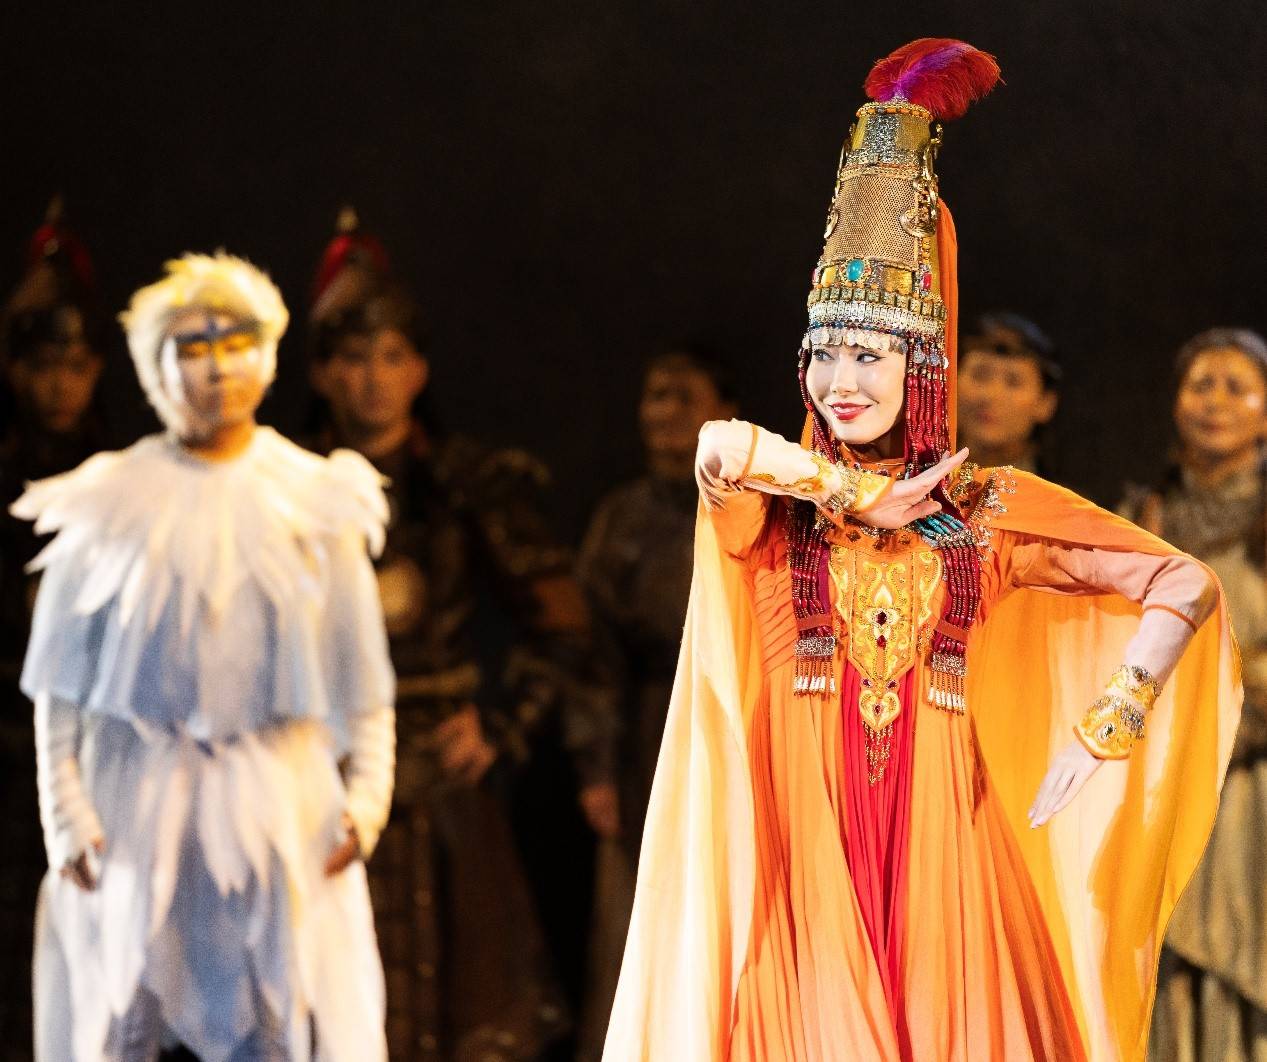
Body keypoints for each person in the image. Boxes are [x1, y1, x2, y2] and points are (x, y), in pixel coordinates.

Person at [603, 39, 1240, 1062]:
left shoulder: (985, 512)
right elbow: (717, 448)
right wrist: (853, 491)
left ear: (922, 366)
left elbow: (1183, 580)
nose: (840, 381)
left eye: (869, 353)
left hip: (949, 874)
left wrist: (1107, 723)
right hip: (804, 880)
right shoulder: (777, 513)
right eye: (822, 353)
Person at [15, 252, 395, 1061]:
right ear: (151, 365)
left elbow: (360, 673)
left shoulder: (314, 498)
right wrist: (65, 811)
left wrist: (368, 796)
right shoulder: (108, 501)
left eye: (236, 342)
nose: (218, 366)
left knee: (283, 1010)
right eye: (192, 346)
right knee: (123, 1009)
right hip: (134, 799)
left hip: (279, 796)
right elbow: (61, 685)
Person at [307, 214, 610, 1061]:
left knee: (460, 998)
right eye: (355, 358)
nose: (374, 380)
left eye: (392, 356)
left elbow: (562, 621)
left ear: (420, 369)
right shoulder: (283, 490)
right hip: (316, 774)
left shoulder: (463, 484)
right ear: (323, 372)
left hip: (439, 772)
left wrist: (501, 724)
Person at [574, 346, 737, 1057]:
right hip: (645, 734)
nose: (665, 414)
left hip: (728, 731)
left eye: (683, 397)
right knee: (634, 911)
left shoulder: (749, 510)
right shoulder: (623, 516)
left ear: (722, 411)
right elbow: (592, 650)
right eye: (655, 397)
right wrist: (596, 765)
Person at [1118, 328, 1267, 1062]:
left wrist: (1229, 691)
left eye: (1236, 387)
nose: (1214, 402)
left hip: (1249, 781)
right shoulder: (1139, 516)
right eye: (1199, 384)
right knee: (1163, 973)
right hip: (1158, 777)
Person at [0, 201, 108, 1062]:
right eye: (43, 367)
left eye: (75, 366)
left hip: (99, 761)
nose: (60, 386)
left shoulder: (121, 484)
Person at [956, 311, 1061, 477]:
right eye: (980, 375)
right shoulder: (915, 482)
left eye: (1013, 382)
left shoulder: (1053, 494)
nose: (991, 395)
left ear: (1046, 402)